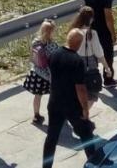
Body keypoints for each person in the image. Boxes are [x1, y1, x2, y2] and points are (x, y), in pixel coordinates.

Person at [41, 29, 106, 168]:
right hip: (72, 106)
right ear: (79, 43)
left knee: (52, 138)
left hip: (54, 102)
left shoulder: (54, 54)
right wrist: (85, 109)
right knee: (86, 135)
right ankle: (93, 164)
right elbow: (80, 89)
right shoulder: (77, 61)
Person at [81, 0, 117, 87]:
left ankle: (91, 79)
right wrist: (112, 33)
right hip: (103, 30)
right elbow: (108, 17)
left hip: (90, 27)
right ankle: (108, 79)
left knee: (91, 54)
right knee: (107, 54)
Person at [24, 19, 61, 124]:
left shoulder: (35, 41)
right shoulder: (52, 46)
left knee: (37, 96)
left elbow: (32, 57)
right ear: (52, 31)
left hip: (36, 73)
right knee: (54, 95)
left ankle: (36, 115)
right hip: (48, 76)